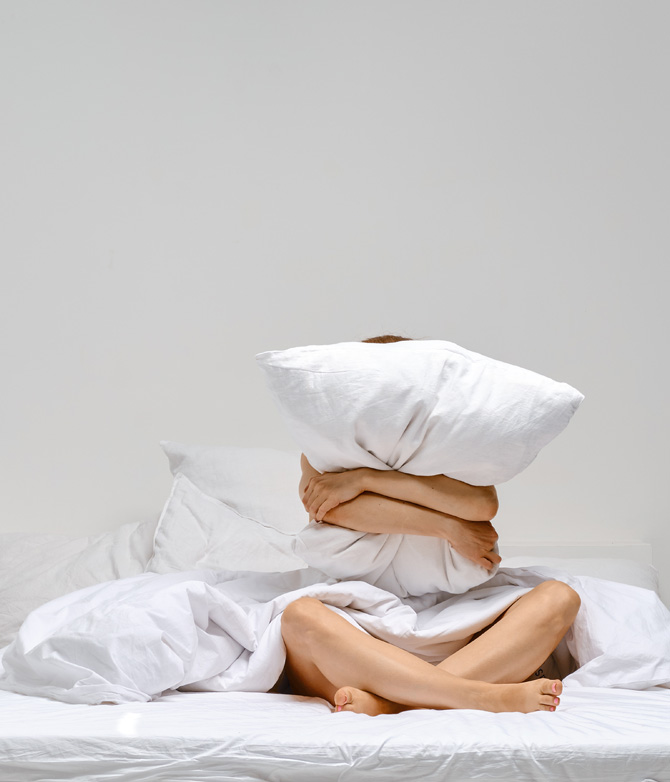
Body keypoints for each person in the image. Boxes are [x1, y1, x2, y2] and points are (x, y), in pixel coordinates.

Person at [280, 334, 581, 716]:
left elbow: (481, 504)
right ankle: (477, 696)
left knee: (559, 597)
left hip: (459, 637)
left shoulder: (450, 452)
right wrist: (448, 528)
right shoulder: (325, 451)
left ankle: (391, 704)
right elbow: (332, 511)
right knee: (300, 616)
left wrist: (364, 481)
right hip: (357, 638)